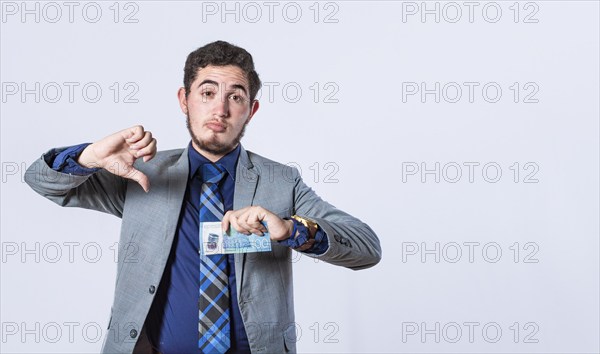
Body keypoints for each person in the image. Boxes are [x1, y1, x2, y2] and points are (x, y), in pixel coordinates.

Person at [25, 40, 382, 353]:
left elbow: (367, 248)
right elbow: (41, 181)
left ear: (251, 109)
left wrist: (291, 230)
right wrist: (88, 156)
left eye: (236, 97)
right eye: (208, 93)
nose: (220, 110)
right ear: (185, 100)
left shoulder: (281, 182)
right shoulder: (141, 173)